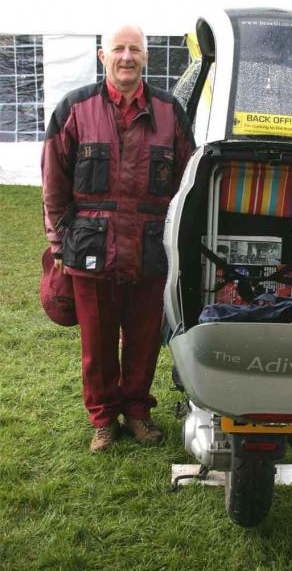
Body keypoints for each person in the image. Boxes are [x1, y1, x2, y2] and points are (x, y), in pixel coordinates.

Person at [41, 23, 195, 453]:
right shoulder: (75, 108)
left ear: (146, 57)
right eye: (118, 49)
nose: (126, 56)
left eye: (135, 49)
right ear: (102, 56)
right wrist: (59, 245)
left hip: (151, 251)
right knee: (97, 344)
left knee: (145, 339)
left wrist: (181, 243)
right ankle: (104, 419)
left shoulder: (169, 112)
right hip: (90, 250)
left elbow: (190, 184)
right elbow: (54, 184)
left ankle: (138, 413)